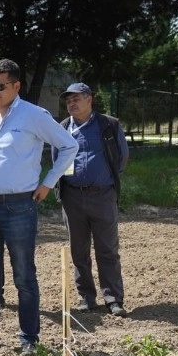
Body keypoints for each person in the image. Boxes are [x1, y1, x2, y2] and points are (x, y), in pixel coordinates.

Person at [0, 59, 78, 356]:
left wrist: (48, 182)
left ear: (16, 86)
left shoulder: (34, 116)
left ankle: (29, 338)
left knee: (24, 274)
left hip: (20, 206)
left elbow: (69, 146)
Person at [57, 83, 129, 317]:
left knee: (107, 249)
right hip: (72, 197)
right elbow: (57, 161)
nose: (71, 103)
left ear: (90, 99)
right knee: (79, 251)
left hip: (102, 196)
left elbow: (121, 158)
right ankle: (86, 297)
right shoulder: (62, 128)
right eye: (68, 100)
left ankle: (113, 299)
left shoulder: (109, 125)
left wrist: (101, 178)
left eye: (76, 98)